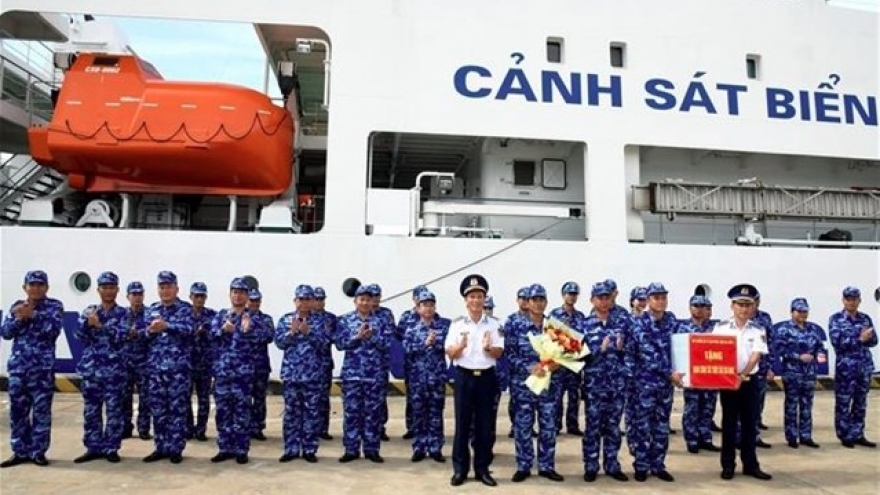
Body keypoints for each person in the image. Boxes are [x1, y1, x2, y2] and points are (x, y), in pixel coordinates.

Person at [0, 270, 64, 468]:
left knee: (41, 413)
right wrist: (20, 318)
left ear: (46, 287)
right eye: (32, 284)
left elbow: (53, 330)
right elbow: (6, 332)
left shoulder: (54, 306)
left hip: (42, 370)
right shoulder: (17, 307)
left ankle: (38, 451)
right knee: (18, 412)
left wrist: (33, 316)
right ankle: (19, 451)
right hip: (19, 369)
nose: (35, 288)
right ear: (25, 287)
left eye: (40, 284)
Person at [445, 274, 503, 487]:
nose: (476, 300)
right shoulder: (456, 324)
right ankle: (460, 470)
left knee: (484, 426)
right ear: (466, 300)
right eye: (472, 296)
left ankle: (482, 469)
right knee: (462, 424)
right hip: (464, 377)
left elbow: (499, 353)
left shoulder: (495, 325)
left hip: (486, 378)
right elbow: (450, 352)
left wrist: (490, 348)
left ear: (485, 299)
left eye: (480, 296)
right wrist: (459, 347)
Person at [711, 284, 772, 481]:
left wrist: (742, 375)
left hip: (749, 381)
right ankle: (728, 465)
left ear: (753, 307)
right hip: (727, 381)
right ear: (732, 306)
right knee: (728, 425)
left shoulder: (757, 329)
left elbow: (756, 356)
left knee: (749, 425)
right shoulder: (720, 328)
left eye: (748, 305)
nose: (744, 309)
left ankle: (751, 465)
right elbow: (712, 353)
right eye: (740, 304)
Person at [507, 284, 564, 483]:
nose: (538, 304)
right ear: (527, 302)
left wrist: (558, 364)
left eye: (541, 300)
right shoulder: (515, 325)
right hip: (525, 385)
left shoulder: (555, 327)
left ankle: (547, 466)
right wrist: (528, 367)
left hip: (549, 385)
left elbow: (566, 354)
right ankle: (523, 466)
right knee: (523, 427)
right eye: (534, 300)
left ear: (546, 302)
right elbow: (510, 354)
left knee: (548, 427)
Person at [73, 271, 129, 464]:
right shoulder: (89, 311)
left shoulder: (124, 313)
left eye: (111, 287)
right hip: (92, 371)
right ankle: (93, 447)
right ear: (98, 290)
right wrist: (88, 325)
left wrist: (101, 326)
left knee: (114, 412)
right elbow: (79, 337)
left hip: (114, 371)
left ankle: (111, 447)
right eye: (104, 287)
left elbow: (124, 336)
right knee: (91, 411)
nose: (108, 291)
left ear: (117, 290)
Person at [627, 282, 678, 482]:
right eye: (656, 298)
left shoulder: (672, 321)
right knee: (642, 427)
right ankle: (641, 465)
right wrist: (670, 372)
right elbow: (648, 353)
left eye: (663, 297)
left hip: (665, 386)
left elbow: (682, 347)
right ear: (648, 301)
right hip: (644, 385)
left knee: (662, 426)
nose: (660, 301)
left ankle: (658, 465)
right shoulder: (639, 323)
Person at [142, 270, 194, 464]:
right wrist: (149, 330)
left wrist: (167, 326)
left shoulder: (185, 309)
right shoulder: (152, 310)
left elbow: (189, 331)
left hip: (178, 369)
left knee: (177, 409)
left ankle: (176, 448)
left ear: (176, 288)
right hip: (156, 369)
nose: (165, 291)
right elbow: (143, 336)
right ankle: (160, 447)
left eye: (168, 287)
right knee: (158, 409)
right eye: (162, 287)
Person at [210, 278, 264, 464]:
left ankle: (241, 449)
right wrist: (223, 330)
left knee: (242, 412)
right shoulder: (221, 316)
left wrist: (246, 331)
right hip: (223, 373)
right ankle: (224, 448)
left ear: (247, 296)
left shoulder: (255, 317)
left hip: (243, 374)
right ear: (230, 294)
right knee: (223, 412)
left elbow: (264, 337)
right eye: (235, 291)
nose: (238, 295)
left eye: (242, 292)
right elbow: (210, 337)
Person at [336, 285, 392, 463]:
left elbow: (389, 344)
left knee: (372, 414)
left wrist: (372, 337)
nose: (365, 302)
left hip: (374, 375)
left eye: (368, 299)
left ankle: (371, 449)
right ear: (355, 301)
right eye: (362, 299)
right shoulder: (345, 320)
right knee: (351, 414)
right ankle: (351, 450)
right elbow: (339, 343)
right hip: (352, 375)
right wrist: (357, 337)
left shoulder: (382, 320)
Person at [580, 282, 629, 482]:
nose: (603, 301)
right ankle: (591, 465)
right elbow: (576, 357)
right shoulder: (584, 325)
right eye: (599, 297)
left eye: (607, 297)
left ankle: (612, 465)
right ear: (592, 300)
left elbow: (632, 353)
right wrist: (596, 351)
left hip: (616, 384)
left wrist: (620, 350)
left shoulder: (621, 323)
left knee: (613, 427)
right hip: (594, 386)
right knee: (592, 427)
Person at [277, 285, 328, 463]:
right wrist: (291, 332)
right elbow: (279, 344)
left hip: (313, 376)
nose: (304, 303)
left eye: (307, 299)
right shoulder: (285, 319)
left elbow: (324, 345)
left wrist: (309, 333)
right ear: (295, 301)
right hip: (291, 375)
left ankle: (309, 449)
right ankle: (291, 449)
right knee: (291, 414)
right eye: (301, 299)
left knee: (312, 414)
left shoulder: (320, 321)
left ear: (313, 301)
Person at [402, 290, 450, 462]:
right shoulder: (411, 330)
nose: (428, 308)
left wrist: (436, 344)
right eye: (424, 305)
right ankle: (419, 447)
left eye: (431, 304)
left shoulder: (444, 328)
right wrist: (424, 344)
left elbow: (449, 348)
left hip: (436, 378)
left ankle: (436, 447)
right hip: (417, 379)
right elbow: (407, 351)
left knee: (436, 413)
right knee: (418, 414)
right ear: (418, 308)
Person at [829, 286, 877, 448]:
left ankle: (857, 433)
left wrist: (866, 338)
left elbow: (874, 340)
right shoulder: (836, 319)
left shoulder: (865, 319)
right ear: (843, 300)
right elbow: (838, 343)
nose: (851, 302)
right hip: (846, 368)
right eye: (848, 299)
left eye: (854, 299)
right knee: (843, 402)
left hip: (863, 367)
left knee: (860, 402)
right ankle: (844, 434)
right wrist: (860, 339)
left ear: (859, 301)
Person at [773, 298, 825, 449]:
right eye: (799, 311)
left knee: (807, 405)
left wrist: (818, 357)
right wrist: (798, 357)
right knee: (791, 405)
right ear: (792, 312)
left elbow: (820, 347)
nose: (802, 314)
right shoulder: (784, 329)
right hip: (792, 373)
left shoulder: (812, 329)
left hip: (809, 374)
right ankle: (791, 436)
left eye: (805, 311)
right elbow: (779, 350)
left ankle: (806, 436)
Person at [675, 295, 720, 454]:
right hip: (691, 376)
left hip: (711, 376)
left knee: (708, 408)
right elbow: (678, 352)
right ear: (690, 307)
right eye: (696, 306)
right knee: (692, 409)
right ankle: (692, 439)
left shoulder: (716, 328)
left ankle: (705, 438)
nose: (699, 309)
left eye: (703, 306)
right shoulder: (682, 328)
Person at [549, 281, 586, 436]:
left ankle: (573, 425)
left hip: (574, 362)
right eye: (569, 294)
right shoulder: (555, 314)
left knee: (573, 396)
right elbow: (549, 337)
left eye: (574, 294)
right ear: (563, 295)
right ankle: (556, 425)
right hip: (559, 362)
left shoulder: (580, 316)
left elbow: (584, 339)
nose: (571, 297)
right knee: (556, 396)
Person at [121, 281, 152, 441]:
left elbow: (152, 332)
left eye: (140, 294)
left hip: (144, 362)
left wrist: (139, 334)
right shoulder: (122, 314)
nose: (137, 297)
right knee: (125, 397)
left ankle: (144, 428)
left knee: (145, 397)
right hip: (126, 362)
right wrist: (128, 333)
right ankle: (126, 427)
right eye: (134, 294)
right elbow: (116, 332)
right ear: (128, 296)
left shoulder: (150, 313)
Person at [187, 282, 216, 442]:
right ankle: (189, 428)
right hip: (188, 363)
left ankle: (201, 430)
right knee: (186, 397)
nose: (199, 299)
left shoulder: (212, 315)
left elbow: (218, 335)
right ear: (190, 297)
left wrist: (206, 332)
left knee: (204, 398)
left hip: (205, 364)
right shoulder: (184, 314)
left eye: (202, 296)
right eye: (196, 296)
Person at [246, 289, 274, 441]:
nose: (254, 304)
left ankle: (258, 427)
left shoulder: (266, 319)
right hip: (243, 366)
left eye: (257, 301)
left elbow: (269, 336)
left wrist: (249, 331)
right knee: (244, 398)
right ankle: (245, 427)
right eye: (252, 301)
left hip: (261, 365)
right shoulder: (240, 317)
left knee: (259, 399)